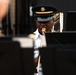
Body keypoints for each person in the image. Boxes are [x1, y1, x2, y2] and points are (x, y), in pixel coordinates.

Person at [28, 5, 59, 75]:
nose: (43, 25)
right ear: (36, 21)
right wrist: (40, 53)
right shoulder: (30, 39)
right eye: (40, 22)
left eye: (46, 22)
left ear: (53, 21)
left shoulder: (59, 38)